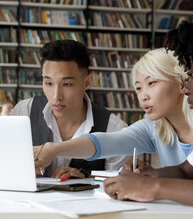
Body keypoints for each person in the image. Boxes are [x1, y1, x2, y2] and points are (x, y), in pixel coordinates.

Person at [35, 9, 193, 219]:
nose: (186, 87)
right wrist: (146, 177)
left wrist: (155, 187)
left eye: (191, 75)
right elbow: (186, 171)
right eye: (139, 87)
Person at [11, 39, 128, 179]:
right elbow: (2, 164)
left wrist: (87, 178)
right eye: (48, 83)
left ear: (87, 82)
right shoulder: (24, 112)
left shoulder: (115, 129)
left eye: (66, 84)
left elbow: (119, 185)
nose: (56, 96)